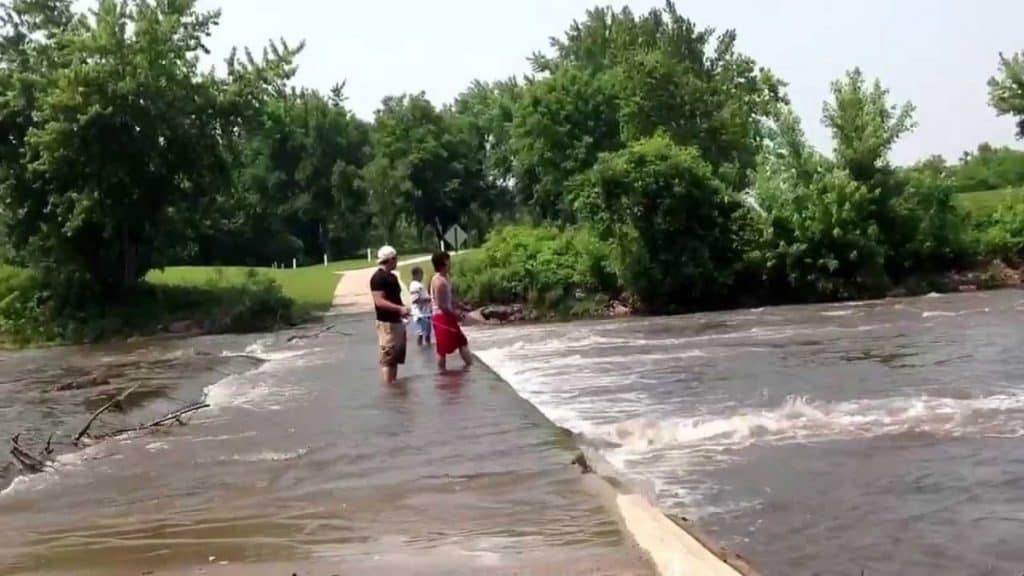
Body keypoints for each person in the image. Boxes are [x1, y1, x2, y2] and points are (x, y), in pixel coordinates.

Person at [370, 245, 410, 384]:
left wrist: (403, 310)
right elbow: (379, 301)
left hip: (396, 321)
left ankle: (394, 387)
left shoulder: (392, 276)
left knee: (395, 358)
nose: (397, 261)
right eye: (396, 258)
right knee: (388, 359)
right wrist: (399, 309)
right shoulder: (377, 278)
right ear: (391, 259)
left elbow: (395, 298)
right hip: (386, 324)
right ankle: (389, 389)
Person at [430, 251, 472, 371]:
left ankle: (468, 367)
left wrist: (463, 306)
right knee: (443, 348)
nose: (450, 262)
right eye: (448, 260)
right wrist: (457, 316)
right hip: (442, 317)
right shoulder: (439, 282)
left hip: (446, 316)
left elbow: (451, 299)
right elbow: (442, 305)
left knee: (461, 342)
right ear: (443, 262)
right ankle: (442, 373)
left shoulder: (446, 278)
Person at [408, 266, 433, 347]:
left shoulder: (420, 284)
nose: (422, 276)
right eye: (421, 274)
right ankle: (421, 347)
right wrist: (427, 299)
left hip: (426, 312)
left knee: (428, 331)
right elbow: (415, 299)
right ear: (416, 275)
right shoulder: (414, 285)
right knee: (421, 332)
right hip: (420, 313)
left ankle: (428, 345)